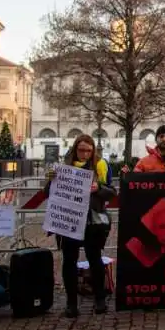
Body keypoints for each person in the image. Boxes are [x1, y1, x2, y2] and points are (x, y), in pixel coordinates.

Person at [45, 134, 115, 317]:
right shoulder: (63, 168)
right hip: (69, 221)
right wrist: (50, 180)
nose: (84, 154)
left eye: (88, 151)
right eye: (81, 150)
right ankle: (71, 303)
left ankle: (100, 299)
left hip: (93, 222)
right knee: (69, 261)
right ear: (75, 149)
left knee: (95, 259)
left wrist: (98, 189)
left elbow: (111, 192)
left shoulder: (100, 165)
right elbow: (49, 193)